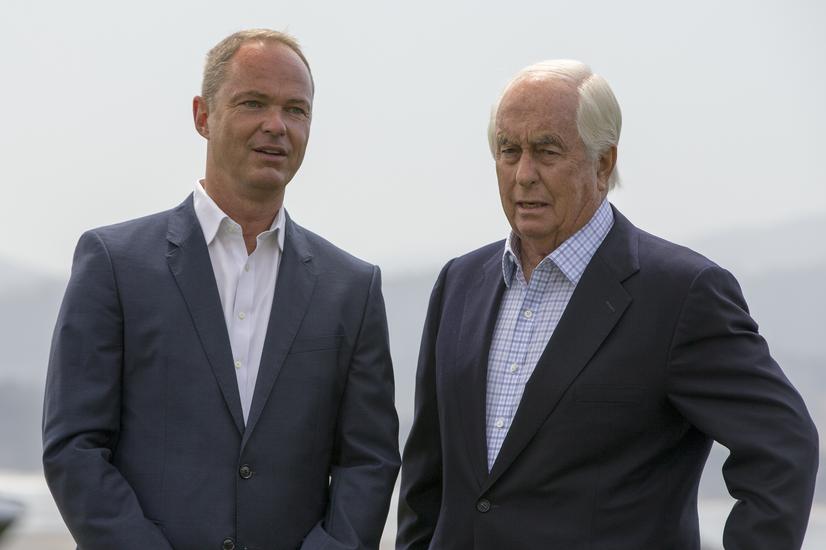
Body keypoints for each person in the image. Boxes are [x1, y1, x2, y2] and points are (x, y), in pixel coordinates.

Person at [397, 59, 818, 550]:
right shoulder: (459, 284)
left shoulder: (682, 294)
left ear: (603, 163)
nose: (524, 174)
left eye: (546, 151)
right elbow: (427, 482)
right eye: (509, 151)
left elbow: (783, 448)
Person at [43, 29, 399, 550]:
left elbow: (368, 460)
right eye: (253, 103)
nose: (276, 125)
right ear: (202, 116)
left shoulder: (352, 288)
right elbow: (74, 447)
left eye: (295, 110)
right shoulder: (114, 264)